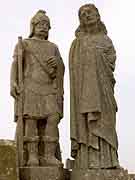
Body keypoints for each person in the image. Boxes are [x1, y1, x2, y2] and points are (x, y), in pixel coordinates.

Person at [10, 10, 64, 167]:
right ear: (33, 26)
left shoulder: (53, 47)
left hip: (48, 88)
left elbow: (60, 68)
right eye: (40, 24)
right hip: (30, 86)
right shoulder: (24, 44)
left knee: (53, 117)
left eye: (47, 25)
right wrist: (13, 82)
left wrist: (57, 65)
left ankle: (48, 156)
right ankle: (32, 156)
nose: (44, 27)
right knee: (32, 120)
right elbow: (16, 65)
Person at [69, 4, 119, 169]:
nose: (87, 15)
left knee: (106, 122)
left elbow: (111, 60)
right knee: (87, 123)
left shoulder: (106, 40)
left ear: (98, 16)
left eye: (90, 12)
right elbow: (73, 69)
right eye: (82, 14)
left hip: (104, 89)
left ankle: (109, 160)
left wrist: (96, 56)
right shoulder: (77, 43)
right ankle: (88, 160)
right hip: (85, 92)